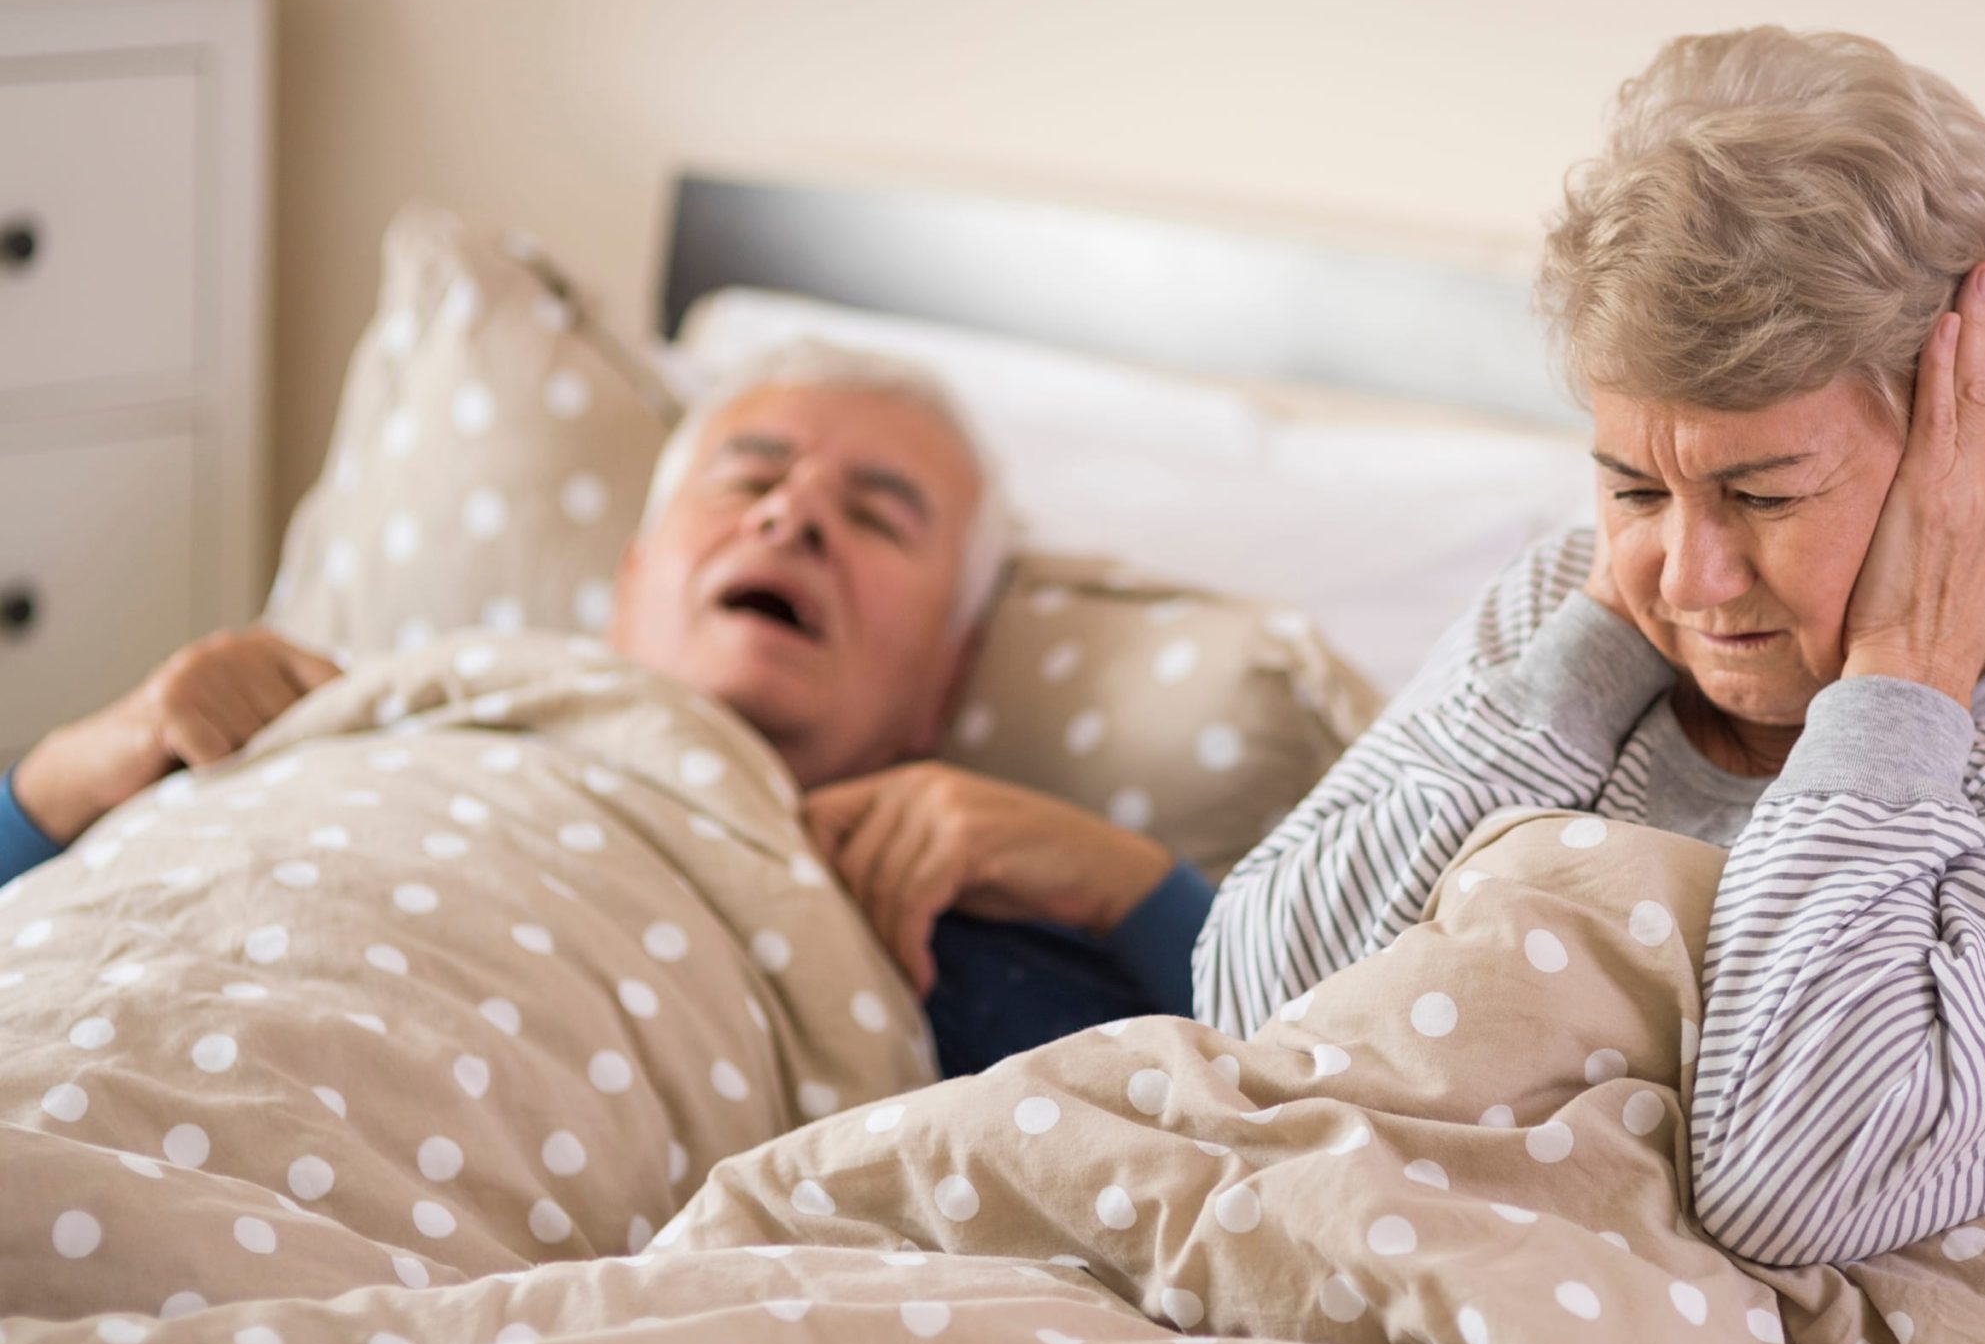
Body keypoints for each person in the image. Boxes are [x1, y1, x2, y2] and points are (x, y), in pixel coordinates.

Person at [1195, 28, 1985, 1269]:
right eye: (1634, 488)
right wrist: (1593, 653)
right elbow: (1248, 1013)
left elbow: (1800, 1192)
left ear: (1965, 446)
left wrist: (1903, 685)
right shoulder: (1578, 614)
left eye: (1762, 497)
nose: (1691, 578)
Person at [0, 340, 1210, 1075]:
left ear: (948, 674)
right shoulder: (356, 717)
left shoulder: (954, 949)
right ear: (631, 579)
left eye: (880, 515)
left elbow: (1307, 1106)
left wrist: (1132, 886)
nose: (790, 517)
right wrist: (72, 774)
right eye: (750, 474)